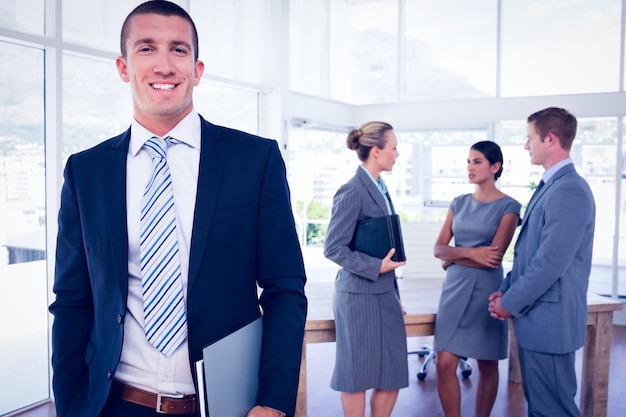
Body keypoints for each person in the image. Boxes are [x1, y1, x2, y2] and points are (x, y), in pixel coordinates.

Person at [48, 2, 307, 417]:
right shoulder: (86, 171)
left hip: (225, 405)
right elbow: (73, 300)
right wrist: (69, 405)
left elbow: (285, 288)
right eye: (147, 49)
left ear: (197, 69)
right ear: (123, 66)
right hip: (115, 405)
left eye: (179, 50)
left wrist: (274, 401)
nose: (164, 65)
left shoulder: (253, 160)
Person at [488, 107, 595, 417]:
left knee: (553, 410)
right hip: (538, 318)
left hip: (550, 322)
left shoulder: (570, 190)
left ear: (550, 139)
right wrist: (506, 289)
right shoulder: (551, 186)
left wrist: (510, 301)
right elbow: (529, 253)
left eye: (529, 138)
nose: (526, 146)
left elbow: (550, 263)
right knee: (542, 409)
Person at [323, 121, 408, 417]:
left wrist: (394, 296)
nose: (397, 153)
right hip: (357, 295)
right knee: (356, 375)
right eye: (393, 147)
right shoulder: (352, 190)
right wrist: (377, 266)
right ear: (375, 151)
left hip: (383, 293)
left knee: (394, 371)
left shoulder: (381, 188)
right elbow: (333, 247)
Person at [433, 140, 521, 417]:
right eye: (469, 161)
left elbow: (493, 257)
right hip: (454, 289)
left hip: (486, 290)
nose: (470, 167)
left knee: (487, 363)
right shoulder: (458, 203)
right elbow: (438, 249)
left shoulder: (509, 207)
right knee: (444, 362)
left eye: (477, 161)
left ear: (495, 167)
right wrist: (471, 252)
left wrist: (453, 256)